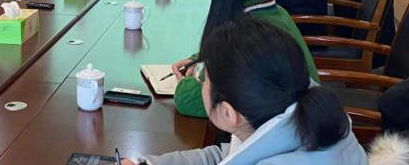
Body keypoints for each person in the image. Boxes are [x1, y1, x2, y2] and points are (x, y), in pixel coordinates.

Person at [122, 18, 367, 165]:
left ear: (228, 113)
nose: (200, 82)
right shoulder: (290, 113)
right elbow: (225, 156)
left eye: (203, 79)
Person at [171, 0, 318, 118]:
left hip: (287, 126)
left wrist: (185, 84)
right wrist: (198, 59)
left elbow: (191, 101)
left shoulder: (245, 35)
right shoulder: (276, 13)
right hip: (306, 120)